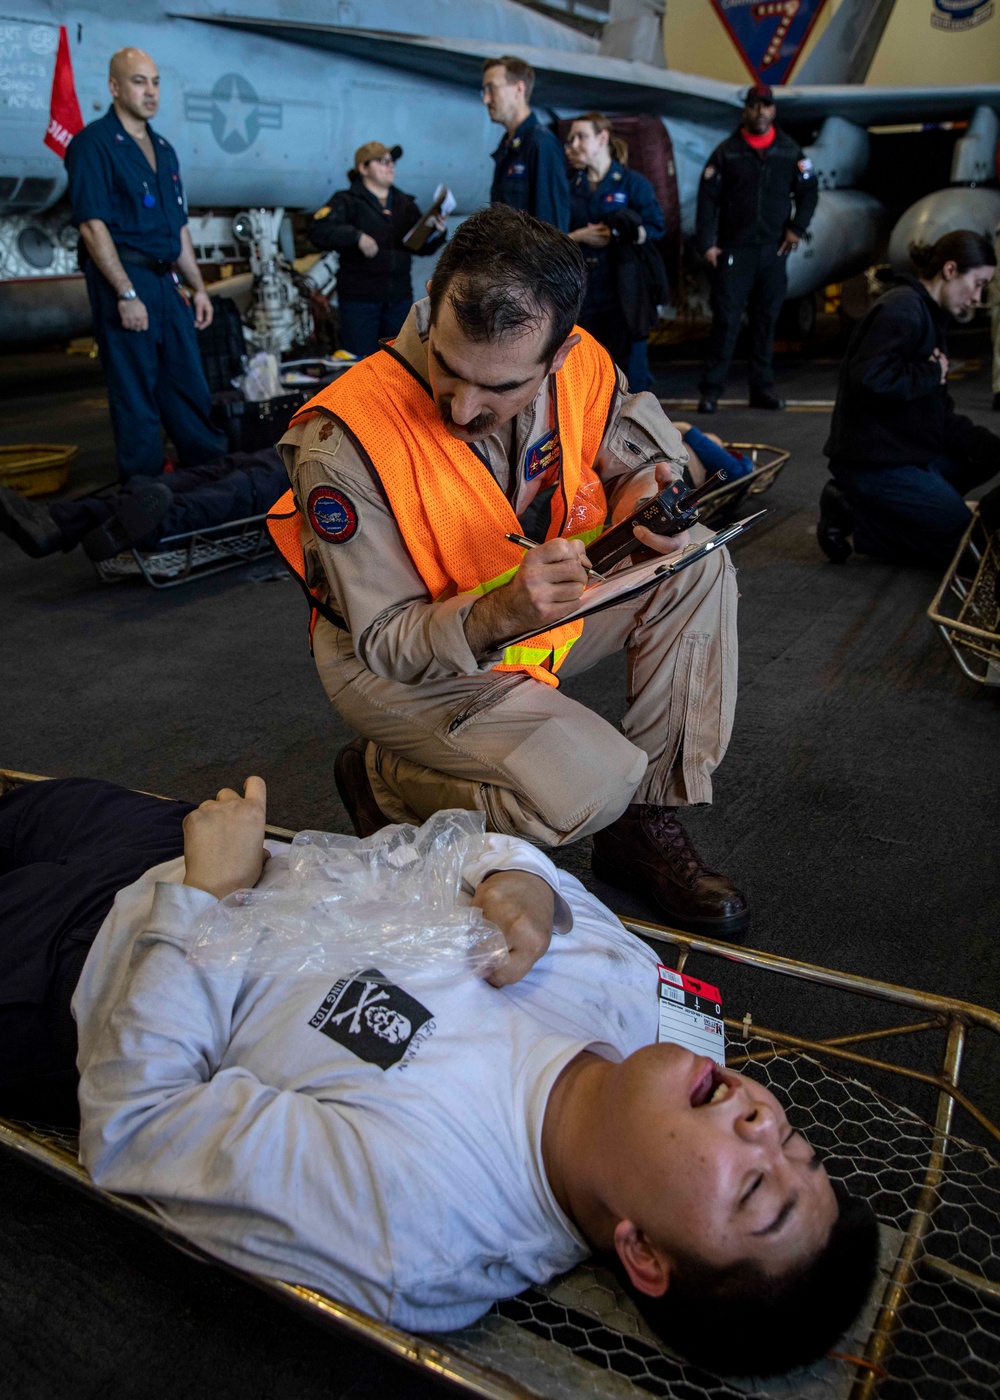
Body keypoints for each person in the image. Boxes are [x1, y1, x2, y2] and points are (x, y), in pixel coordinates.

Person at [0, 773, 880, 1375]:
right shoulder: (639, 1003)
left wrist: (209, 901)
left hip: (66, 964)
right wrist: (518, 879)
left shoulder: (425, 1222)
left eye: (754, 1191)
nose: (765, 1124)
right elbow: (470, 860)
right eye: (796, 1142)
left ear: (643, 1252)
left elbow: (138, 1121)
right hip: (178, 839)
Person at [273, 204, 748, 940]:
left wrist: (651, 488)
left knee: (697, 564)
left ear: (555, 357)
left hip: (524, 608)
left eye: (499, 389)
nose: (463, 407)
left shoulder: (580, 364)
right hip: (402, 662)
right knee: (593, 783)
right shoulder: (343, 440)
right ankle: (382, 778)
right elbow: (386, 641)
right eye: (450, 370)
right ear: (431, 314)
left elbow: (639, 452)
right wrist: (500, 614)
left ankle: (642, 829)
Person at [64, 48, 227, 482]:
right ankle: (144, 496)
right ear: (115, 88)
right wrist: (126, 293)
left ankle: (212, 484)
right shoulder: (92, 145)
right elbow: (93, 226)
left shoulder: (164, 149)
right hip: (128, 277)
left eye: (155, 81)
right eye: (139, 81)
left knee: (186, 383)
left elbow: (178, 230)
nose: (150, 91)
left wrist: (199, 288)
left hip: (166, 280)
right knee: (135, 395)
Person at [818, 231, 1000, 568]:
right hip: (873, 461)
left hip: (904, 448)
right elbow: (870, 379)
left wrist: (993, 448)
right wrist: (931, 373)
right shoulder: (902, 309)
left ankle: (915, 508)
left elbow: (939, 414)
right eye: (977, 283)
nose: (977, 297)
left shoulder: (930, 316)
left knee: (985, 456)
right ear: (949, 270)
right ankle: (856, 523)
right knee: (971, 550)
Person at [696, 83, 818, 415]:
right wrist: (707, 243)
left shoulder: (789, 150)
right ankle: (711, 391)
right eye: (755, 105)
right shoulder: (727, 152)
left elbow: (809, 191)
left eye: (766, 105)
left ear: (773, 110)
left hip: (773, 251)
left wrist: (796, 230)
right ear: (746, 110)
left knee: (767, 322)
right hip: (736, 250)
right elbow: (707, 199)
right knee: (727, 321)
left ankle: (762, 388)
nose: (760, 111)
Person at [0, 448, 287, 563]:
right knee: (215, 472)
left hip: (315, 464)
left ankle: (152, 526)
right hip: (295, 443)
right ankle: (60, 522)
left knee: (247, 486)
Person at [308, 142, 447, 360]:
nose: (390, 166)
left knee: (401, 363)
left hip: (399, 300)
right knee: (359, 365)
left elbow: (419, 247)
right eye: (382, 162)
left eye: (392, 162)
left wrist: (436, 232)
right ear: (363, 169)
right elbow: (318, 230)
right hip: (360, 304)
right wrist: (356, 236)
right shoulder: (346, 201)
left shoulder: (404, 203)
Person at [565, 113, 667, 387]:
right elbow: (555, 234)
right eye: (571, 138)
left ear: (602, 138)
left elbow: (656, 227)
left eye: (581, 137)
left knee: (632, 383)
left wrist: (622, 233)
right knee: (589, 379)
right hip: (585, 296)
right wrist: (579, 236)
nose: (573, 144)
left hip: (624, 295)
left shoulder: (632, 184)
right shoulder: (570, 187)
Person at [483, 57, 570, 232]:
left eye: (491, 88)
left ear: (519, 89)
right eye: (484, 91)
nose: (486, 99)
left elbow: (551, 231)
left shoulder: (541, 144)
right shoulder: (508, 147)